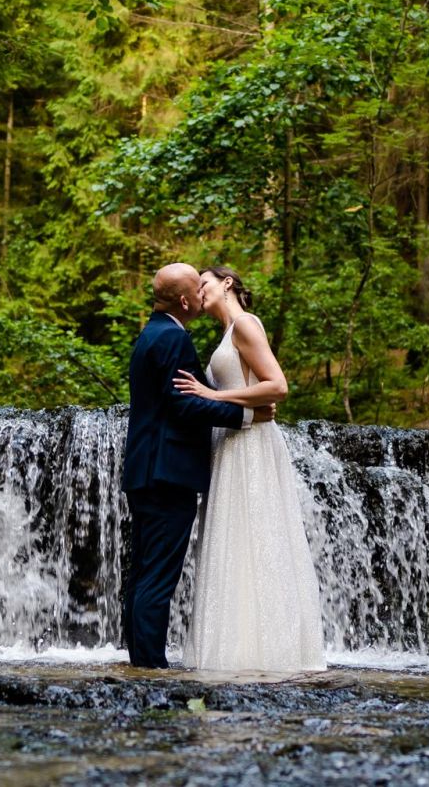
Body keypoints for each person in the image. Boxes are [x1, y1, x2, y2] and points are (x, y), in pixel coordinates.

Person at [122, 263, 273, 669]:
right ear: (186, 300)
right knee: (157, 577)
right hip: (167, 474)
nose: (202, 295)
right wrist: (248, 417)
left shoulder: (151, 335)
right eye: (197, 288)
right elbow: (183, 404)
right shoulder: (172, 339)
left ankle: (140, 661)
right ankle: (151, 666)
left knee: (143, 572)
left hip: (145, 471)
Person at [176, 266, 325, 672]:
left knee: (258, 538)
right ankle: (236, 650)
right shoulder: (225, 334)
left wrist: (213, 394)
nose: (198, 290)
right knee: (235, 544)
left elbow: (277, 385)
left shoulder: (244, 324)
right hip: (231, 444)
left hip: (252, 446)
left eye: (204, 283)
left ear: (227, 283)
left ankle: (269, 652)